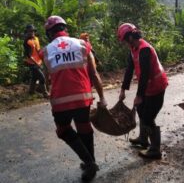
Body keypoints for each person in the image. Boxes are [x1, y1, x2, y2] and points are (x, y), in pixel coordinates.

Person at [39, 16, 107, 181]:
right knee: (84, 128)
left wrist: (46, 89)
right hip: (82, 98)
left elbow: (48, 77)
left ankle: (89, 163)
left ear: (49, 33)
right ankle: (90, 162)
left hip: (60, 101)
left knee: (63, 130)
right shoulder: (82, 45)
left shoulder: (46, 51)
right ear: (65, 28)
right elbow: (94, 74)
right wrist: (102, 97)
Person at [118, 23, 168, 159]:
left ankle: (155, 149)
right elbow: (129, 70)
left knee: (148, 117)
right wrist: (123, 90)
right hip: (147, 87)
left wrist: (139, 95)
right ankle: (143, 139)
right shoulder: (133, 49)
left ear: (129, 37)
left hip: (157, 87)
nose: (124, 44)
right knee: (140, 109)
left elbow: (145, 74)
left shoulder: (144, 49)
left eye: (124, 40)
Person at [23, 24, 49, 97]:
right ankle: (45, 93)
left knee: (34, 77)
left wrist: (42, 58)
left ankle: (31, 92)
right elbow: (28, 55)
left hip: (38, 61)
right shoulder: (27, 42)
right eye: (29, 31)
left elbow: (38, 50)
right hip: (31, 62)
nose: (31, 33)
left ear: (34, 31)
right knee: (42, 77)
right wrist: (35, 63)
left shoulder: (36, 39)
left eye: (32, 31)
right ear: (27, 32)